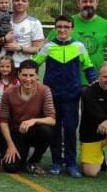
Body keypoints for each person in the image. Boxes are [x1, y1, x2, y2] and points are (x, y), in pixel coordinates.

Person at [33, 15, 96, 177]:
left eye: (66, 27)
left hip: (71, 96)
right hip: (51, 96)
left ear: (72, 29)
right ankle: (56, 162)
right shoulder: (48, 47)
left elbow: (88, 66)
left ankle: (71, 163)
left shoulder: (79, 46)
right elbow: (34, 65)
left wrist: (94, 83)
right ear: (55, 28)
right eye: (59, 26)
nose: (62, 30)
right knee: (54, 130)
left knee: (69, 130)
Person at [0, 60, 56, 175]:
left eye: (31, 75)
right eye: (24, 75)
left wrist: (33, 120)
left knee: (47, 131)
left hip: (35, 131)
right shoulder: (9, 92)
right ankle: (18, 155)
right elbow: (3, 121)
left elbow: (52, 119)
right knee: (11, 167)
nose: (28, 79)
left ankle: (34, 160)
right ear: (19, 75)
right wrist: (10, 145)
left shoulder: (45, 90)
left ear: (37, 76)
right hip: (17, 132)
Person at [47, 0, 107, 76]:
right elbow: (46, 45)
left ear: (97, 2)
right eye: (84, 1)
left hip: (96, 82)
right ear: (78, 3)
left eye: (91, 1)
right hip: (70, 82)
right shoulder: (66, 23)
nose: (88, 4)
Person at [0, 0, 45, 67]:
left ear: (28, 3)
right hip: (1, 66)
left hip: (21, 67)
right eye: (17, 0)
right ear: (12, 3)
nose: (20, 3)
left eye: (23, 1)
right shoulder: (3, 19)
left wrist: (20, 48)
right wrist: (4, 39)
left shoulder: (34, 23)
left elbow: (37, 49)